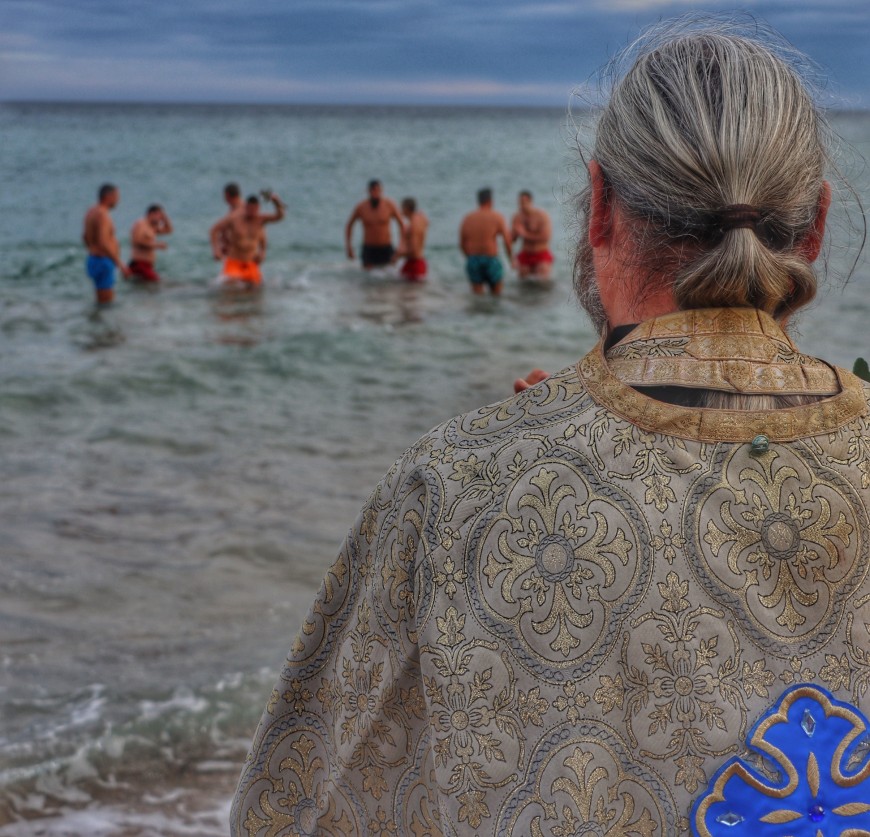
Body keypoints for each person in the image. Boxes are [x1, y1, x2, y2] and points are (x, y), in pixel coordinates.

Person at [232, 22, 870, 836]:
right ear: (814, 226)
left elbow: (294, 802)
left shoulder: (452, 485)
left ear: (600, 206)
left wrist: (532, 446)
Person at [210, 193, 285, 287]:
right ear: (245, 207)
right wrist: (216, 250)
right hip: (234, 262)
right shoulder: (234, 219)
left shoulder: (261, 220)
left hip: (251, 263)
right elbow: (214, 230)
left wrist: (276, 202)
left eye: (254, 209)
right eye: (249, 209)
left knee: (255, 290)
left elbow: (279, 216)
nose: (252, 212)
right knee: (229, 286)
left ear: (258, 208)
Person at [82, 183, 130, 304]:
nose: (118, 200)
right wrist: (120, 264)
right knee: (107, 304)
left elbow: (85, 237)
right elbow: (103, 241)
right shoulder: (103, 214)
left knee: (101, 302)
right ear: (108, 196)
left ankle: (96, 322)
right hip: (103, 261)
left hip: (93, 259)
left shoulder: (91, 212)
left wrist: (93, 249)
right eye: (116, 196)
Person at [459, 187, 513, 295]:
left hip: (473, 260)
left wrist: (469, 258)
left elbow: (462, 243)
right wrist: (511, 258)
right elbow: (507, 240)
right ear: (490, 201)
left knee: (478, 297)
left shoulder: (468, 218)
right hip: (491, 259)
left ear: (478, 201)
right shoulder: (497, 217)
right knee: (497, 296)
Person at [345, 179, 405, 269]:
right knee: (367, 279)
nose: (375, 193)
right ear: (368, 191)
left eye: (378, 190)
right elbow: (349, 225)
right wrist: (349, 247)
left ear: (381, 191)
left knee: (389, 278)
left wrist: (401, 245)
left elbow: (402, 224)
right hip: (369, 248)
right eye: (373, 190)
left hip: (386, 247)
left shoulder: (389, 205)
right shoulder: (361, 207)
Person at [511, 190, 554, 280]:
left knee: (542, 279)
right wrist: (514, 232)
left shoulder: (541, 215)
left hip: (541, 253)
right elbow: (512, 240)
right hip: (526, 253)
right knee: (522, 280)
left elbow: (546, 237)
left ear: (530, 202)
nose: (521, 206)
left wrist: (525, 234)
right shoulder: (517, 217)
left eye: (523, 202)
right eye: (519, 203)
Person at [128, 204, 173, 282]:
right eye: (159, 215)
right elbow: (137, 241)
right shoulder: (141, 224)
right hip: (139, 264)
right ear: (151, 214)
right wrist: (157, 245)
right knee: (157, 284)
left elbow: (169, 230)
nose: (160, 218)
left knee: (151, 288)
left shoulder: (152, 226)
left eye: (161, 216)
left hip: (147, 265)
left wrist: (165, 218)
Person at [397, 196, 429, 281]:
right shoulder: (421, 219)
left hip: (415, 263)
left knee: (411, 293)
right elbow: (427, 222)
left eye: (402, 208)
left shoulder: (412, 226)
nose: (401, 211)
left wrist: (398, 255)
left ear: (407, 209)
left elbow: (413, 250)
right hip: (417, 261)